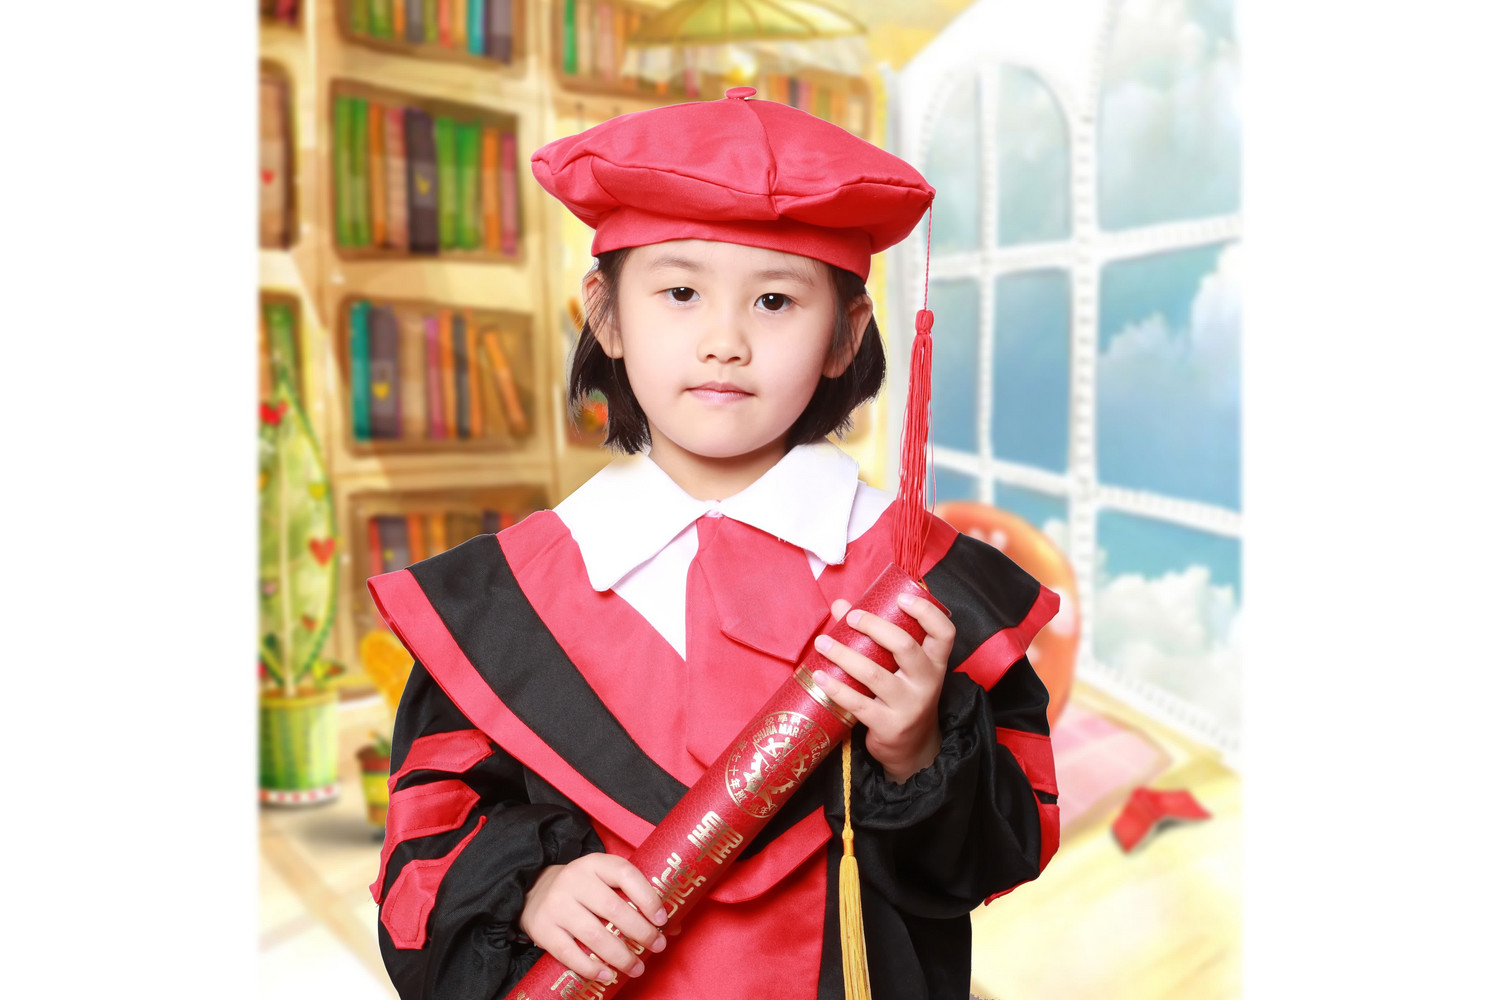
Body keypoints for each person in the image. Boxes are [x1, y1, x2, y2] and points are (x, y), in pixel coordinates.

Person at [366, 88, 1061, 1000]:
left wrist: (917, 751)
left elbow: (1004, 851)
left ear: (845, 336)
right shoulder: (500, 605)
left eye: (774, 300)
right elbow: (426, 846)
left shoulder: (921, 583)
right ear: (605, 315)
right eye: (681, 292)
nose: (724, 341)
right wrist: (530, 888)